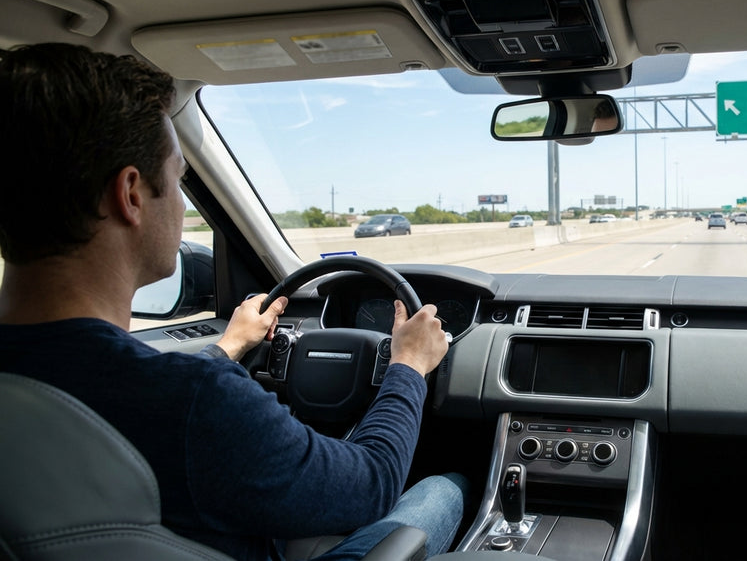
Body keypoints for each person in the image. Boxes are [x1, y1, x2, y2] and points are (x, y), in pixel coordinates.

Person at [0, 43, 466, 561]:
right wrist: (408, 365)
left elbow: (120, 392)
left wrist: (227, 348)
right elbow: (372, 482)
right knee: (446, 489)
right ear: (130, 194)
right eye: (178, 180)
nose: (180, 204)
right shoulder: (197, 402)